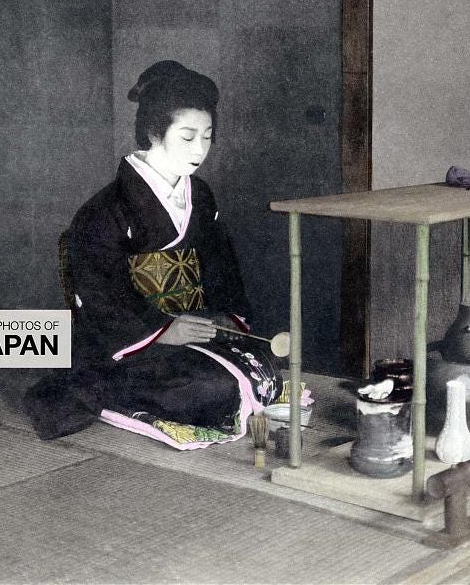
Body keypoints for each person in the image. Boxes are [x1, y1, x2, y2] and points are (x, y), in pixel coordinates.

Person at [23, 61, 279, 448]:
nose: (200, 150)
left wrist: (223, 315)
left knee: (264, 366)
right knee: (210, 387)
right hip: (135, 341)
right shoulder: (105, 210)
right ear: (153, 131)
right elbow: (98, 293)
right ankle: (115, 397)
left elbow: (219, 265)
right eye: (188, 137)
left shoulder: (201, 194)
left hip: (191, 327)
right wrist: (163, 330)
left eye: (207, 137)